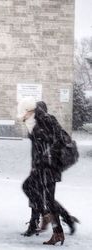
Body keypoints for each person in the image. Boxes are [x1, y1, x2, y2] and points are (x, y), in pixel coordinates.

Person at [17, 98, 79, 245]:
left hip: (49, 166)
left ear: (29, 110)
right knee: (33, 190)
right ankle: (53, 222)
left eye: (23, 113)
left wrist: (47, 158)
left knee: (47, 199)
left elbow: (58, 140)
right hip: (41, 166)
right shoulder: (34, 121)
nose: (21, 116)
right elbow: (39, 145)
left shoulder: (45, 120)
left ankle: (56, 229)